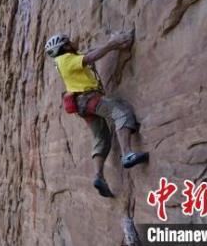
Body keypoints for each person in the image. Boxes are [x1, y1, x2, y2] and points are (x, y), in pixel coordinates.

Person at [45, 32, 149, 198]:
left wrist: (109, 44)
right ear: (64, 46)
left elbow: (87, 53)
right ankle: (128, 154)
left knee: (101, 138)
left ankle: (99, 177)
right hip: (88, 99)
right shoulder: (65, 60)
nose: (72, 42)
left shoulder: (65, 60)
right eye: (68, 42)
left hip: (81, 104)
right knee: (120, 112)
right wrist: (112, 44)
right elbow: (89, 58)